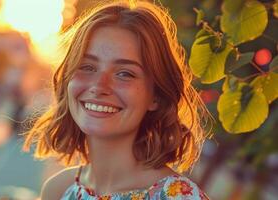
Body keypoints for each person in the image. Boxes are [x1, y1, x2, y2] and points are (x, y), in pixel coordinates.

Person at [23, 0, 210, 199]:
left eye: (125, 73)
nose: (99, 87)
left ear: (155, 96)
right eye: (87, 67)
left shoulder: (179, 197)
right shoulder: (57, 190)